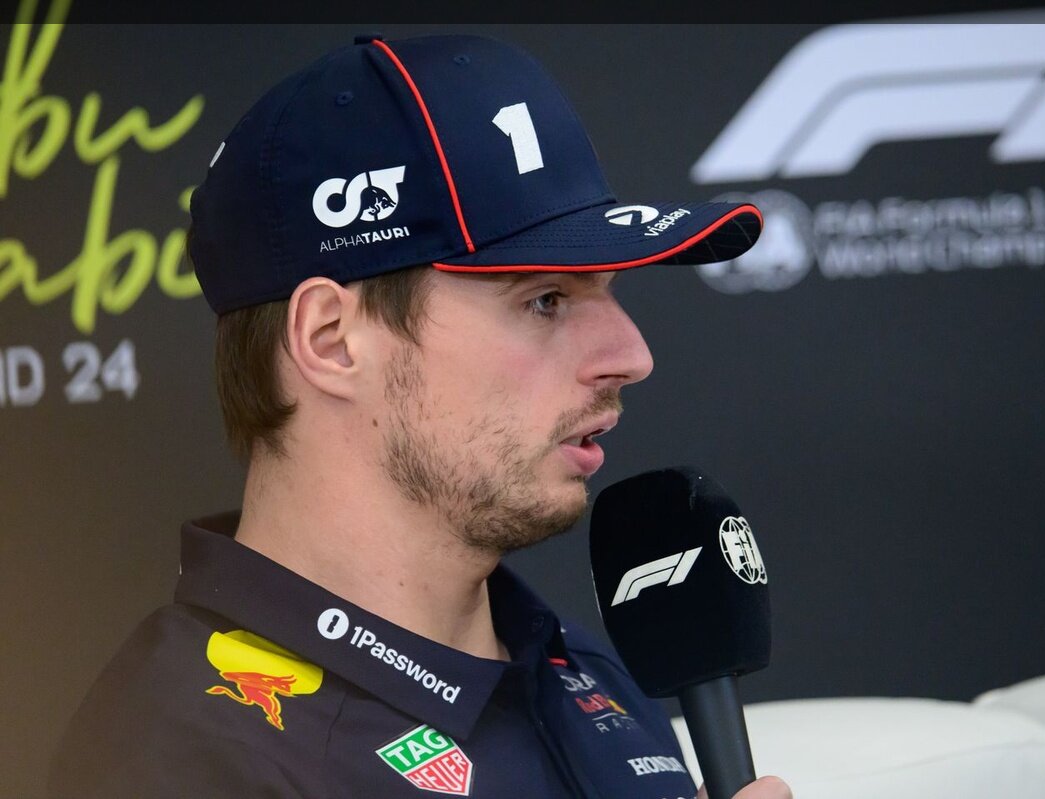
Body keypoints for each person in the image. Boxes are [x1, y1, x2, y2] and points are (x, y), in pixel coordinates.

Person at [49, 32, 787, 799]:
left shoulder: (581, 670)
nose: (631, 354)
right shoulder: (185, 756)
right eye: (545, 300)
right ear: (331, 340)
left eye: (606, 291)